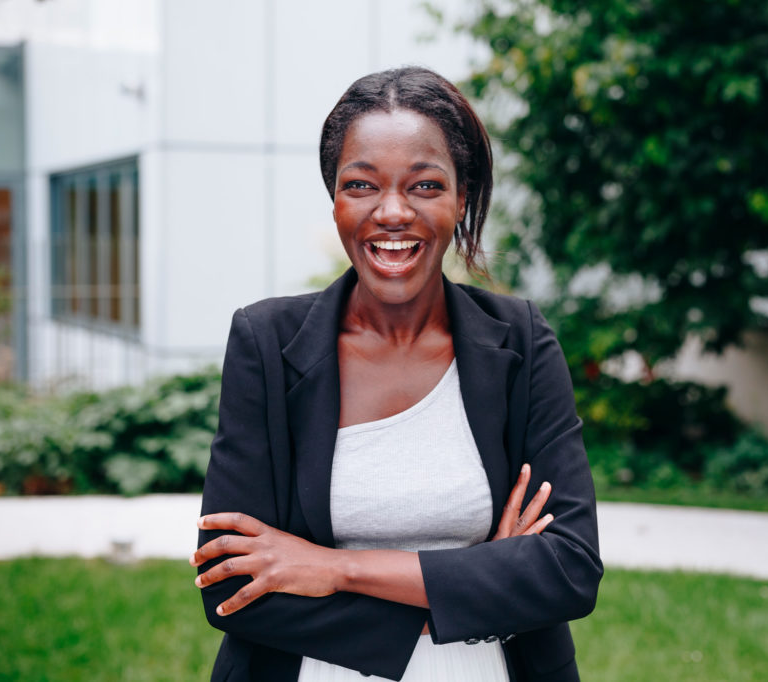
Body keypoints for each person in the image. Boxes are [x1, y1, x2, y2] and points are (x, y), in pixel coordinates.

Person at [190, 66, 602, 682]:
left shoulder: (520, 342)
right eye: (361, 184)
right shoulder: (267, 342)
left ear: (461, 198)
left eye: (425, 185)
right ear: (334, 200)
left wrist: (334, 568)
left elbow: (568, 568)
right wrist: (478, 586)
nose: (392, 212)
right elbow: (232, 581)